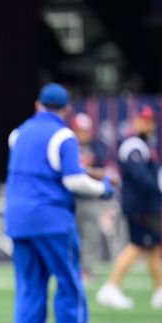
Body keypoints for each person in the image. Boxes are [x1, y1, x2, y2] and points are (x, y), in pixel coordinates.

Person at [4, 84, 114, 323]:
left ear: (38, 104)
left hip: (17, 217)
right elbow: (73, 180)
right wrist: (103, 189)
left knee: (29, 285)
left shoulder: (18, 133)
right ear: (66, 109)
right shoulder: (64, 135)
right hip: (51, 220)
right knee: (69, 282)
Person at [95, 107, 162, 310]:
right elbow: (139, 175)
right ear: (136, 122)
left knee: (155, 247)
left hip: (148, 205)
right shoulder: (133, 146)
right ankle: (110, 287)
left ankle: (160, 290)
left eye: (150, 121)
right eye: (143, 120)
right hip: (140, 206)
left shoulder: (145, 145)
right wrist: (158, 191)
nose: (147, 124)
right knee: (137, 245)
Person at [70, 112, 108, 279]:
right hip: (72, 198)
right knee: (72, 236)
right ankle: (73, 270)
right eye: (80, 130)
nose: (84, 134)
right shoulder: (68, 146)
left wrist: (89, 172)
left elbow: (102, 171)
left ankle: (89, 269)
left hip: (91, 197)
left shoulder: (97, 147)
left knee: (91, 236)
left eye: (86, 131)